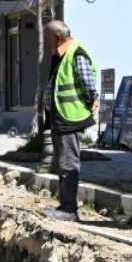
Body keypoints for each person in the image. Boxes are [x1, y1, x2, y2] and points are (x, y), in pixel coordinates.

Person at [38, 20, 96, 222]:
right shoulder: (60, 55)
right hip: (61, 117)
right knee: (62, 163)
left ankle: (69, 209)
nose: (46, 43)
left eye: (47, 39)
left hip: (71, 117)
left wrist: (91, 103)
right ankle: (65, 205)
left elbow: (88, 84)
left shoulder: (76, 53)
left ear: (57, 37)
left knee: (68, 163)